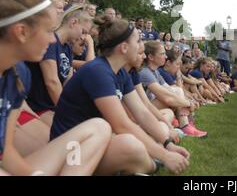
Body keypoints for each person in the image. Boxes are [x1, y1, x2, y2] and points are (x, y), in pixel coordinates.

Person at [50, 16, 190, 175]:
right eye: (137, 41)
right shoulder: (98, 71)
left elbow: (142, 113)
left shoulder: (120, 72)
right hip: (71, 151)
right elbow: (121, 124)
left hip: (93, 143)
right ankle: (152, 164)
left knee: (136, 141)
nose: (141, 47)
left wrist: (168, 144)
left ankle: (144, 164)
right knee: (131, 145)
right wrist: (165, 156)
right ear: (124, 47)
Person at [0, 0, 111, 175]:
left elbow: (5, 152)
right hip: (42, 110)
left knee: (99, 128)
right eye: (49, 31)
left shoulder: (18, 74)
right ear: (22, 32)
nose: (53, 38)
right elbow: (52, 83)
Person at [25, 4, 92, 126]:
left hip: (53, 106)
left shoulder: (67, 48)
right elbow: (51, 82)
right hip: (39, 107)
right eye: (83, 32)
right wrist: (67, 112)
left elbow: (69, 81)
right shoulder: (51, 42)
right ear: (73, 23)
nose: (83, 37)